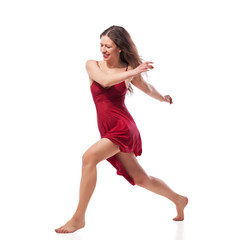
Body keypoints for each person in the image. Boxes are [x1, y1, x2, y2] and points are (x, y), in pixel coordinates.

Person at [55, 25, 188, 234]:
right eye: (101, 44)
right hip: (108, 128)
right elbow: (105, 81)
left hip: (123, 127)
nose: (103, 49)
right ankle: (178, 199)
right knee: (142, 180)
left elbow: (147, 88)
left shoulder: (128, 70)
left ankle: (78, 218)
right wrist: (134, 71)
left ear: (120, 48)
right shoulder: (93, 65)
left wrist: (163, 97)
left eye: (108, 46)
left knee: (88, 158)